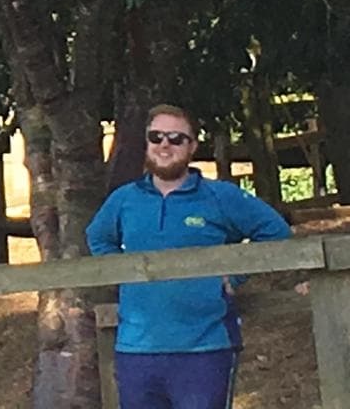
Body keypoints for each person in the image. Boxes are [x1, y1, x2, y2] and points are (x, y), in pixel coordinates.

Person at [86, 103, 292, 409]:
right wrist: (123, 274)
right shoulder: (124, 199)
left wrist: (235, 275)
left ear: (193, 146)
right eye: (156, 137)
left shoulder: (220, 196)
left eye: (176, 138)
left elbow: (276, 232)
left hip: (205, 348)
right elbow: (98, 237)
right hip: (136, 349)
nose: (164, 145)